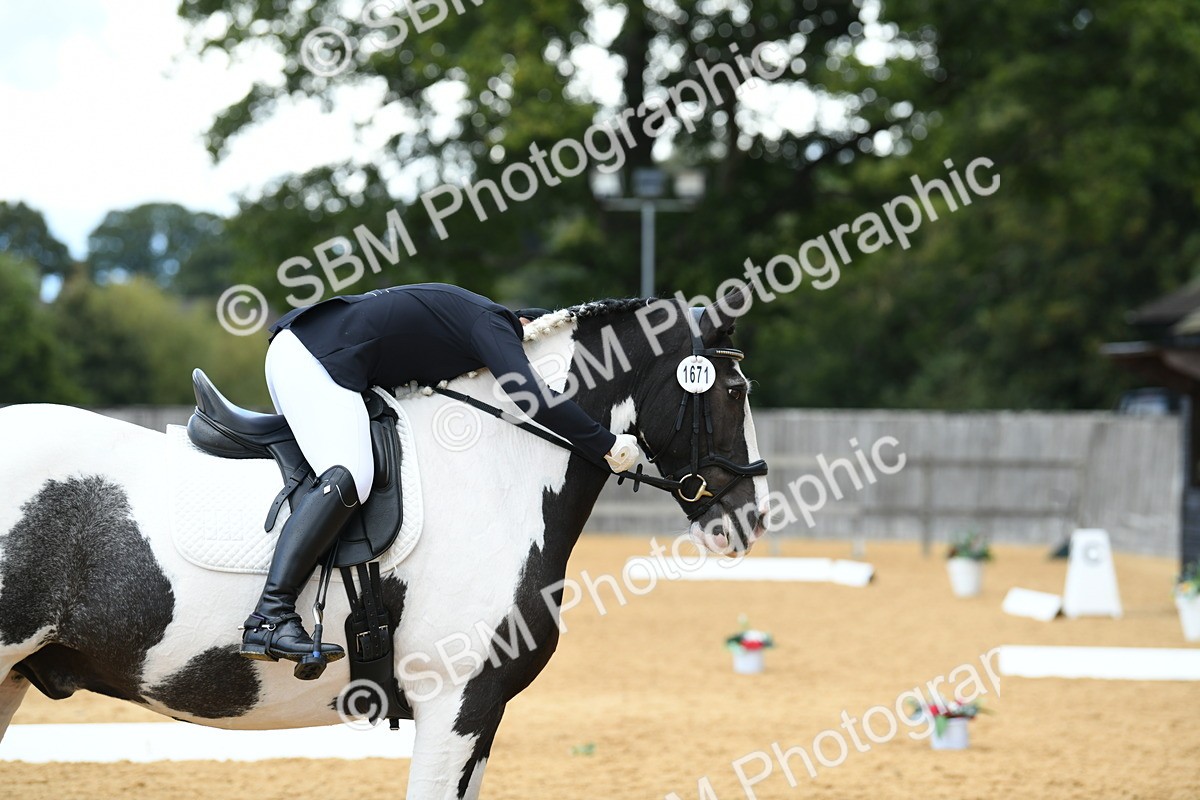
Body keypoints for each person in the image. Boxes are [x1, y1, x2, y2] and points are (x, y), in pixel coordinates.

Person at [239, 283, 641, 668]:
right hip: (314, 360)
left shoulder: (467, 319)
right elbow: (530, 395)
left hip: (310, 352)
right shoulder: (492, 323)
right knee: (353, 473)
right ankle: (270, 616)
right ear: (523, 325)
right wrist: (605, 444)